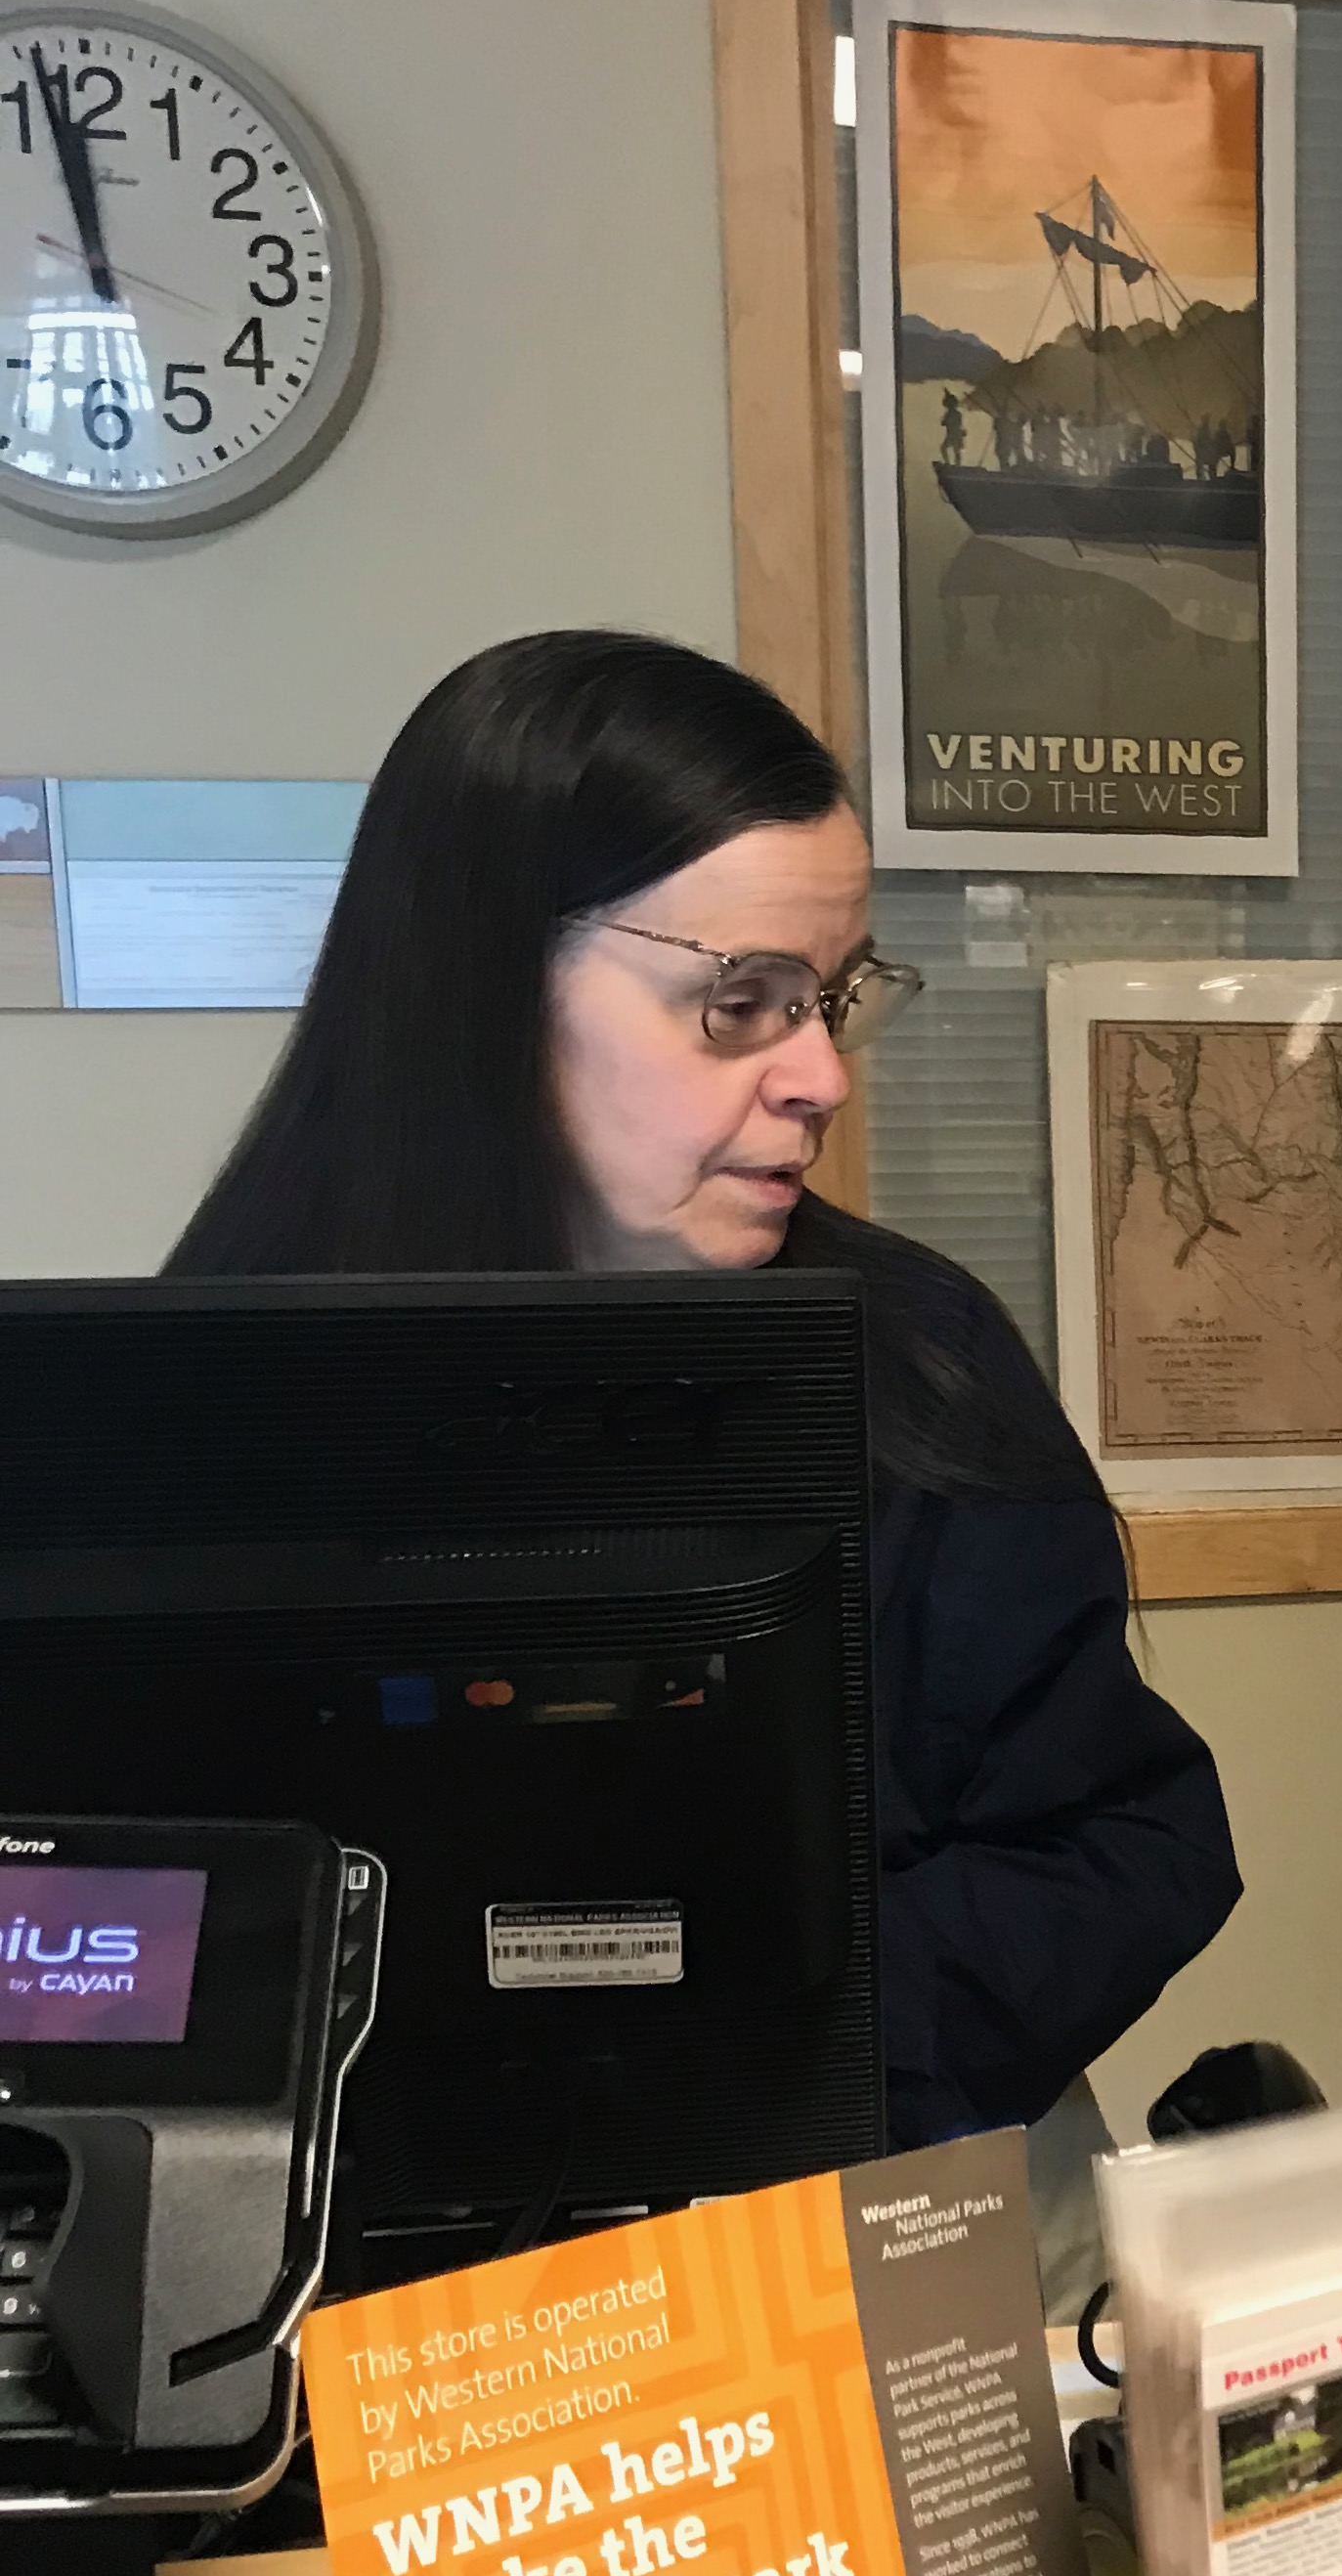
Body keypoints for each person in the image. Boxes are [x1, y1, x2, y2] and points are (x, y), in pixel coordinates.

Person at [169, 629, 1240, 2291]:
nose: (815, 1077)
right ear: (481, 981)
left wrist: (769, 2035)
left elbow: (1127, 1842)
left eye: (831, 999)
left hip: (895, 2228)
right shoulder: (204, 1394)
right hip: (397, 2304)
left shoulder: (917, 1355)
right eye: (737, 1004)